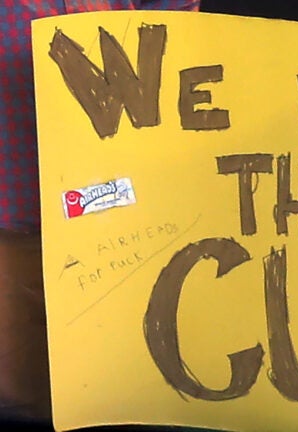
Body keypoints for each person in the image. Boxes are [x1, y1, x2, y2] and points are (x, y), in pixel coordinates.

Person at [0, 0, 200, 425]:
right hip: (11, 226)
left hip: (120, 219)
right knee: (23, 398)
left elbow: (175, 14)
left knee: (124, 398)